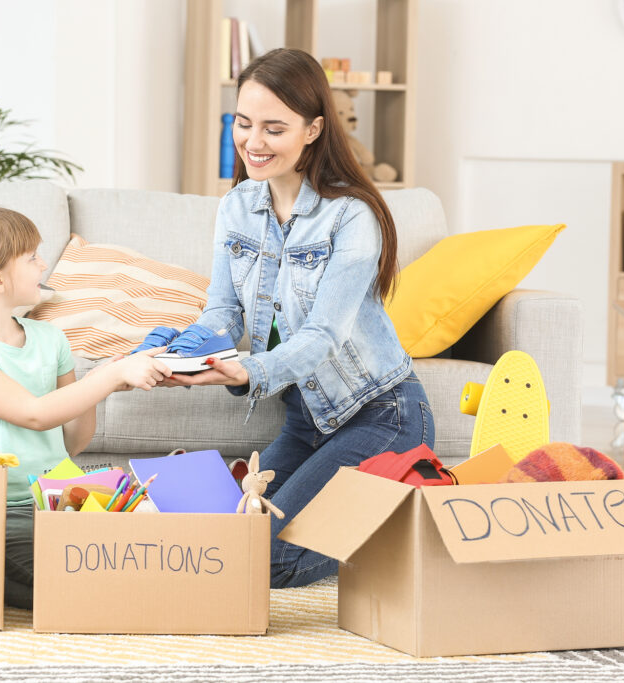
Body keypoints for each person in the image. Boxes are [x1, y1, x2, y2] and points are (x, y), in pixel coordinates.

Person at [162, 48, 435, 588]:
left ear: (312, 130)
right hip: (305, 423)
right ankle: (359, 518)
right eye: (243, 123)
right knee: (226, 543)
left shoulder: (351, 217)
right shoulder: (237, 206)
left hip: (381, 417)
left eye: (273, 128)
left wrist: (248, 370)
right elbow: (223, 310)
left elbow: (324, 338)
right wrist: (184, 349)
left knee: (262, 561)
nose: (253, 143)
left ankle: (388, 523)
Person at [0, 206, 171, 608]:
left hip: (61, 502)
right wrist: (102, 380)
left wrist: (108, 378)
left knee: (144, 570)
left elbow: (73, 442)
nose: (44, 263)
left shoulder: (50, 338)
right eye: (32, 257)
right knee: (84, 591)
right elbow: (34, 414)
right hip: (2, 511)